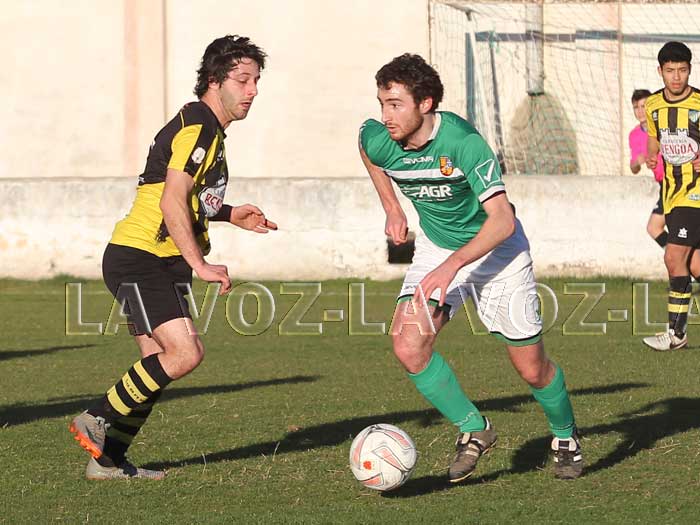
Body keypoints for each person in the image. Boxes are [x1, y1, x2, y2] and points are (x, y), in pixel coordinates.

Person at [358, 54, 582, 481]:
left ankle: (565, 437)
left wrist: (452, 266)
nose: (385, 116)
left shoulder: (463, 143)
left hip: (497, 253)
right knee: (408, 345)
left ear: (425, 103)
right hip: (438, 249)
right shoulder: (381, 138)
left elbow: (502, 220)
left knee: (531, 368)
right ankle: (475, 429)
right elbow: (366, 147)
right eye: (382, 104)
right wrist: (392, 207)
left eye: (396, 105)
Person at [69, 35, 277, 479]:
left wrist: (229, 213)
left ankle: (107, 462)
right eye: (243, 80)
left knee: (157, 364)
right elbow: (171, 200)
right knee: (185, 353)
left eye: (257, 81)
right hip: (141, 257)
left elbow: (183, 196)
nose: (253, 90)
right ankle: (96, 416)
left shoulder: (206, 128)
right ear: (214, 80)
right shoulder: (199, 125)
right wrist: (200, 264)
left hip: (151, 259)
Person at [643, 41, 700, 352]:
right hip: (672, 193)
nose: (676, 77)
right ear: (660, 71)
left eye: (682, 70)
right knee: (695, 266)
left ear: (690, 70)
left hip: (697, 192)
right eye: (670, 71)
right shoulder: (653, 105)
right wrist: (652, 155)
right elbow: (654, 139)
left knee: (673, 257)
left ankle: (676, 334)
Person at [629, 89, 667, 248]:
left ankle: (678, 258)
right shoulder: (634, 135)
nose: (640, 111)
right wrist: (637, 162)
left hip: (677, 180)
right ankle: (678, 258)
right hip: (664, 185)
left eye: (644, 106)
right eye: (636, 107)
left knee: (656, 227)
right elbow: (633, 168)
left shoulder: (664, 125)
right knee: (654, 228)